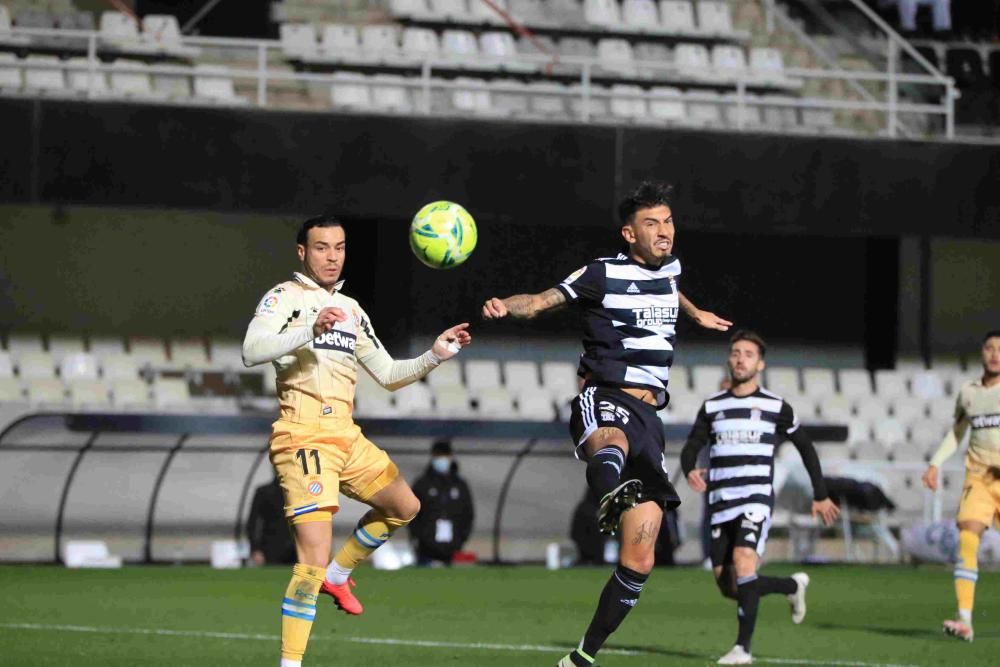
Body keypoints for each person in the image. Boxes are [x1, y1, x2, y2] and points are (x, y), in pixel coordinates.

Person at [482, 181, 732, 667]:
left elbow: (671, 288)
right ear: (628, 233)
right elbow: (539, 301)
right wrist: (503, 306)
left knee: (641, 557)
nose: (664, 231)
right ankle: (608, 494)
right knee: (609, 440)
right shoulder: (601, 273)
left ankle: (581, 657)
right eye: (652, 224)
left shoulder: (672, 268)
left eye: (668, 221)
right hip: (607, 394)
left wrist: (696, 312)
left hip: (651, 416)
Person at [242, 215, 472, 667]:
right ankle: (290, 664)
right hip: (303, 435)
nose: (332, 256)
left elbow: (387, 374)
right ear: (302, 253)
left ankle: (340, 574)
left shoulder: (352, 309)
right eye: (322, 247)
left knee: (405, 506)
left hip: (346, 434)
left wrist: (435, 355)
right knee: (309, 559)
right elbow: (251, 350)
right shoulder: (284, 297)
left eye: (340, 247)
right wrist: (311, 330)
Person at [680, 330, 839, 665]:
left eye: (748, 354)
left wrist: (821, 495)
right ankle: (791, 587)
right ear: (729, 358)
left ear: (760, 364)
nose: (740, 359)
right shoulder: (713, 406)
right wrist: (689, 467)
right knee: (729, 585)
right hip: (721, 501)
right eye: (736, 352)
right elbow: (692, 444)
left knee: (744, 561)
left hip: (755, 497)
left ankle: (743, 649)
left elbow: (805, 448)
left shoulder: (775, 406)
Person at [921, 330, 1000, 643]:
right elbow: (957, 433)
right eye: (989, 347)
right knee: (968, 537)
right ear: (981, 352)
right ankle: (964, 619)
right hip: (979, 477)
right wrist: (934, 463)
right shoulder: (968, 393)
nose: (995, 353)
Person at [409, 439, 475, 565]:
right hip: (426, 549)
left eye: (445, 455)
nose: (442, 459)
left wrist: (461, 538)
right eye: (438, 455)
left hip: (454, 547)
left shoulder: (460, 485)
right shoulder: (422, 484)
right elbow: (411, 513)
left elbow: (468, 514)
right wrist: (421, 536)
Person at [247, 476, 296, 566]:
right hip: (271, 548)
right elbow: (253, 523)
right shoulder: (264, 492)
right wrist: (255, 549)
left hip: (296, 549)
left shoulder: (300, 492)